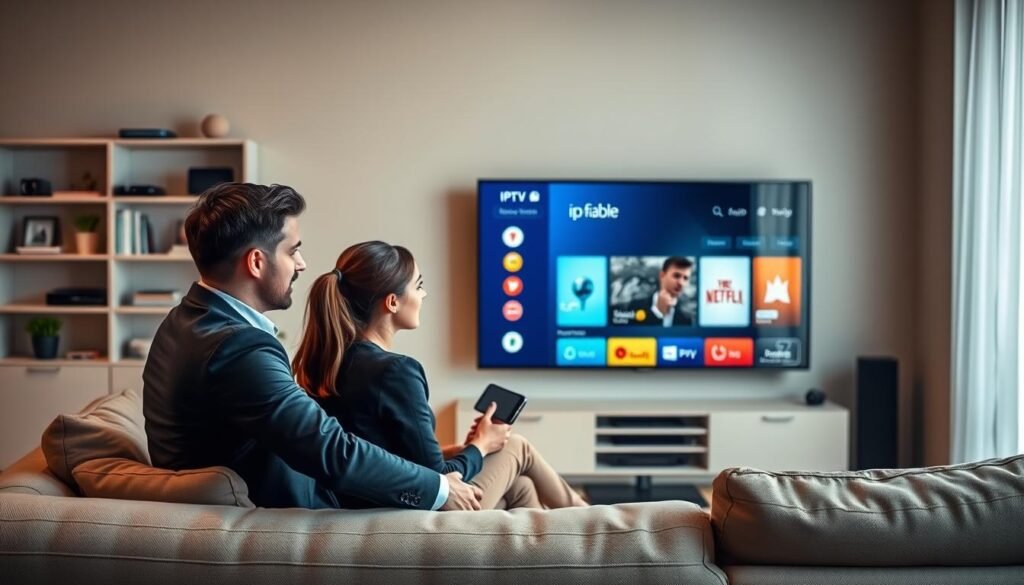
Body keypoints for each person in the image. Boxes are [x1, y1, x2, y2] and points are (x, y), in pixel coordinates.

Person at [143, 183, 482, 511]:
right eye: (292, 251)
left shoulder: (182, 321)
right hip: (305, 519)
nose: (302, 264)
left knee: (518, 484)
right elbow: (331, 449)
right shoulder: (240, 348)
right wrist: (437, 487)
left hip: (252, 507)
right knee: (513, 462)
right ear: (257, 262)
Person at [292, 240, 588, 510]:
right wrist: (479, 446)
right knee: (516, 446)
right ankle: (589, 520)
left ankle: (549, 555)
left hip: (366, 504)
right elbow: (437, 479)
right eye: (418, 285)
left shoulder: (327, 363)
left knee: (522, 488)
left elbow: (388, 457)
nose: (424, 294)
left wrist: (466, 449)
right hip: (412, 513)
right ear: (392, 302)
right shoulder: (396, 371)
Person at [625, 256, 695, 326]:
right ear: (662, 275)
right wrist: (657, 312)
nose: (681, 283)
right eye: (676, 276)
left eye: (685, 278)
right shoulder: (635, 306)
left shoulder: (686, 319)